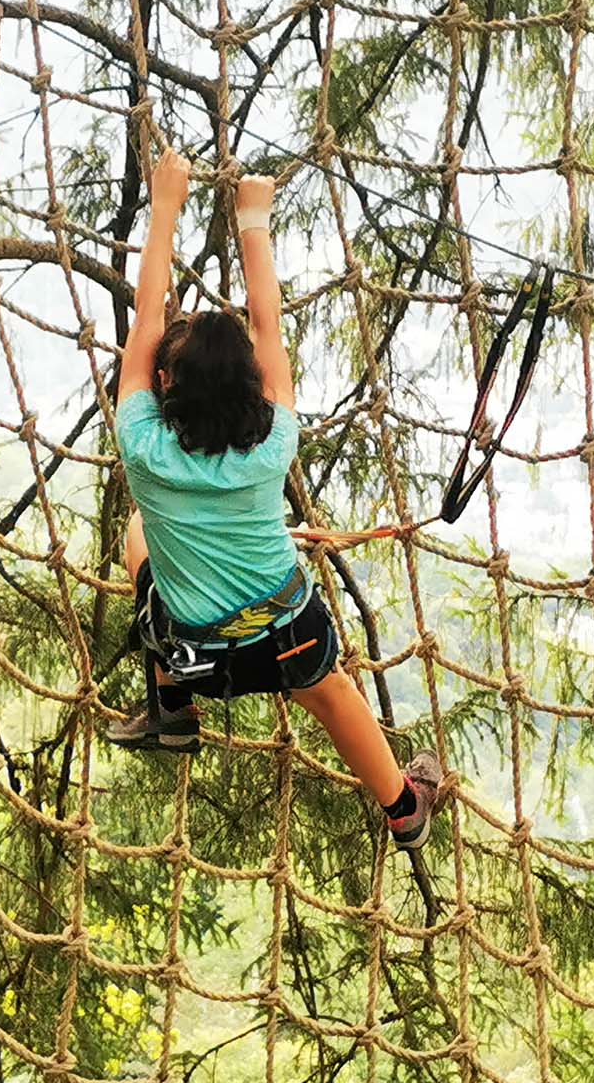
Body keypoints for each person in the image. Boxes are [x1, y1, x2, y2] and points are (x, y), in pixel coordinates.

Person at [105, 145, 446, 853]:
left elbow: (144, 323)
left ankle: (173, 703)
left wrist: (164, 206)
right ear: (252, 386)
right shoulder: (273, 442)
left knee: (140, 531)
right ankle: (404, 806)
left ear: (165, 385)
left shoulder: (142, 445)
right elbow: (269, 325)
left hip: (192, 650)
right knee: (335, 694)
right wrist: (253, 221)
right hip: (287, 638)